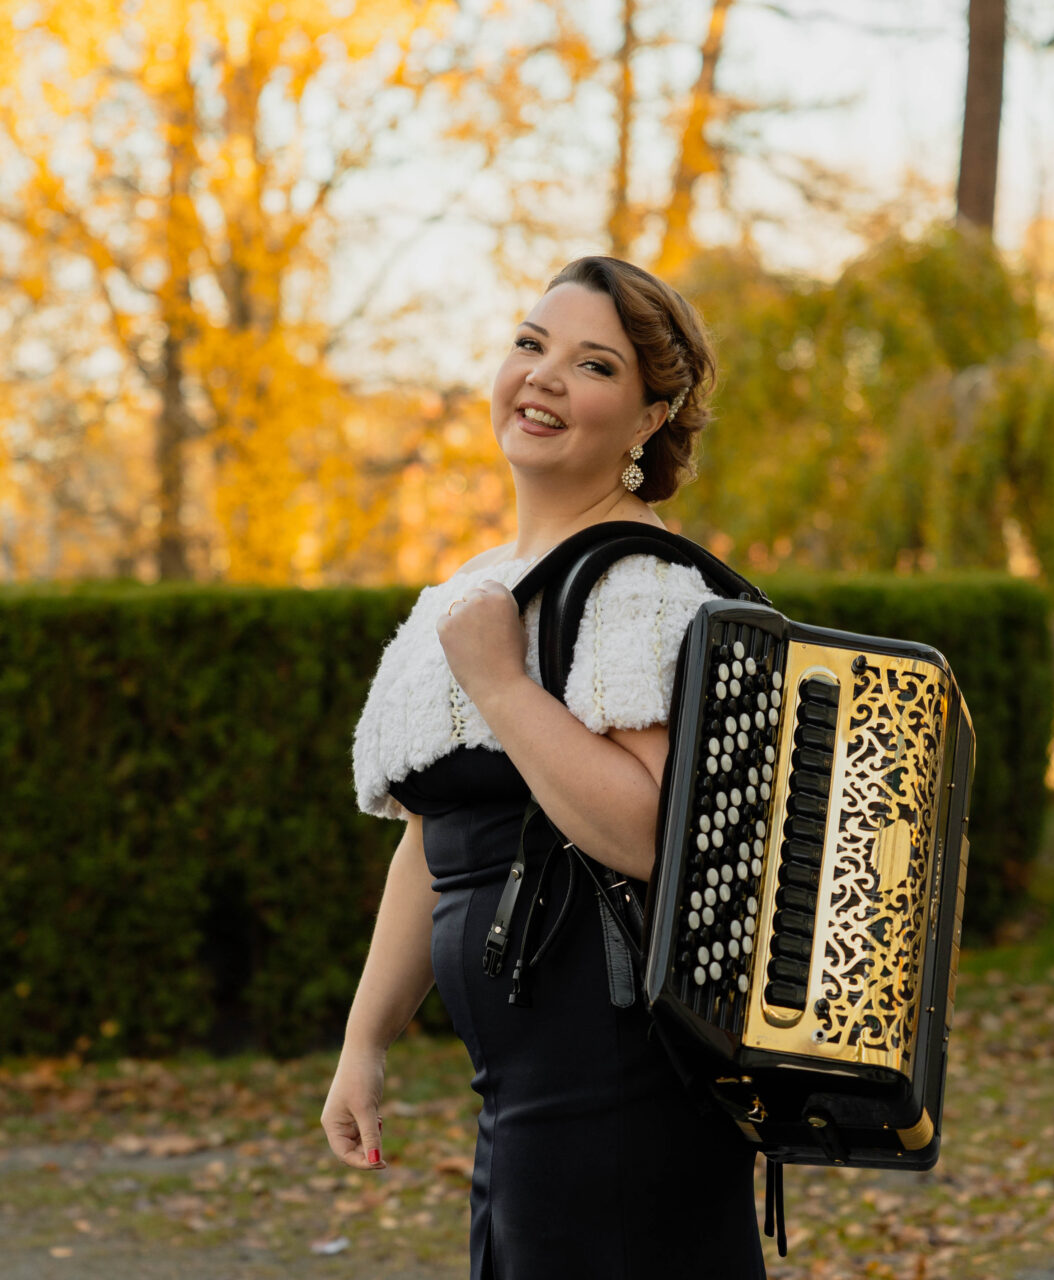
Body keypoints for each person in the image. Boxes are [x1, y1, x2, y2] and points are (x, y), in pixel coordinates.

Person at [321, 256, 766, 1279]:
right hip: (522, 1094)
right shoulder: (470, 593)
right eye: (531, 343)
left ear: (650, 417)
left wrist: (504, 685)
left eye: (593, 363)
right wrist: (366, 1040)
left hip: (624, 1086)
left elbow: (653, 834)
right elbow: (440, 841)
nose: (544, 376)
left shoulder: (644, 587)